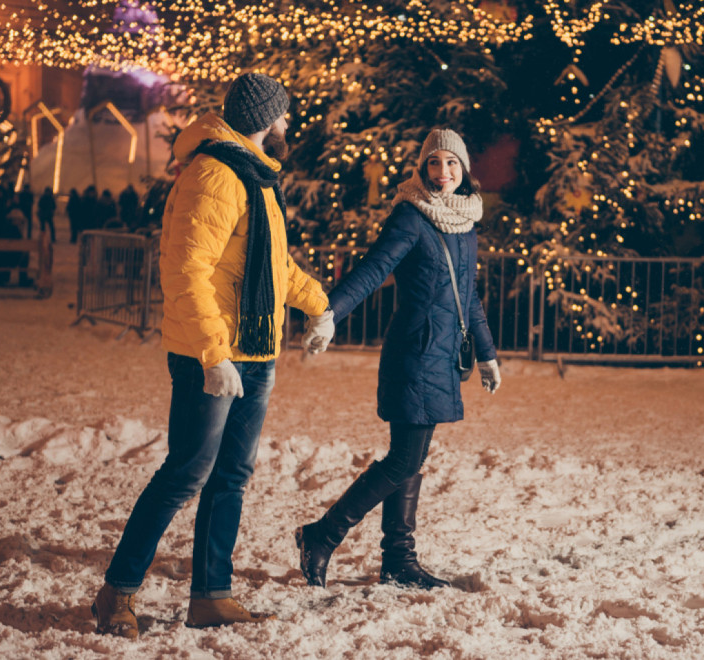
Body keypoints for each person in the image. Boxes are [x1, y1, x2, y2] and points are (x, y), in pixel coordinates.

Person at [91, 72, 331, 638]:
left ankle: (210, 594)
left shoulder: (254, 176)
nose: (288, 124)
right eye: (284, 114)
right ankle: (117, 593)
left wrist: (318, 305)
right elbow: (186, 270)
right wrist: (211, 354)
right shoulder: (216, 174)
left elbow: (272, 268)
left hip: (254, 350)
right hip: (214, 353)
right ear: (265, 119)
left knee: (231, 476)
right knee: (185, 473)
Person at [295, 128, 502, 590]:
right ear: (421, 168)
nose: (442, 172)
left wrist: (487, 354)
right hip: (415, 353)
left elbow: (469, 299)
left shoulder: (465, 223)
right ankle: (323, 535)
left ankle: (398, 561)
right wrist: (330, 313)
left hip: (444, 357)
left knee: (410, 459)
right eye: (433, 163)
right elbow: (372, 269)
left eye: (451, 163)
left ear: (464, 168)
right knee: (404, 460)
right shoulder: (411, 217)